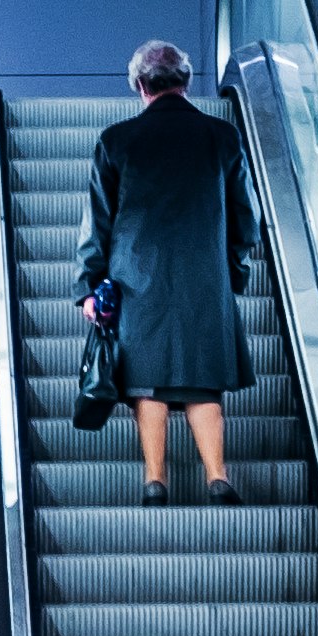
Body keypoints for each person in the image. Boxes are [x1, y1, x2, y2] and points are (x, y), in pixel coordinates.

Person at [77, 40, 262, 501]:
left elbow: (97, 222)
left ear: (140, 85)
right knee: (202, 383)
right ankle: (217, 477)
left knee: (148, 382)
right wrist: (233, 270)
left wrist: (87, 287)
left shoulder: (117, 140)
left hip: (135, 278)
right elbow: (246, 218)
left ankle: (155, 480)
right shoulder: (222, 136)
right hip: (205, 277)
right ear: (187, 82)